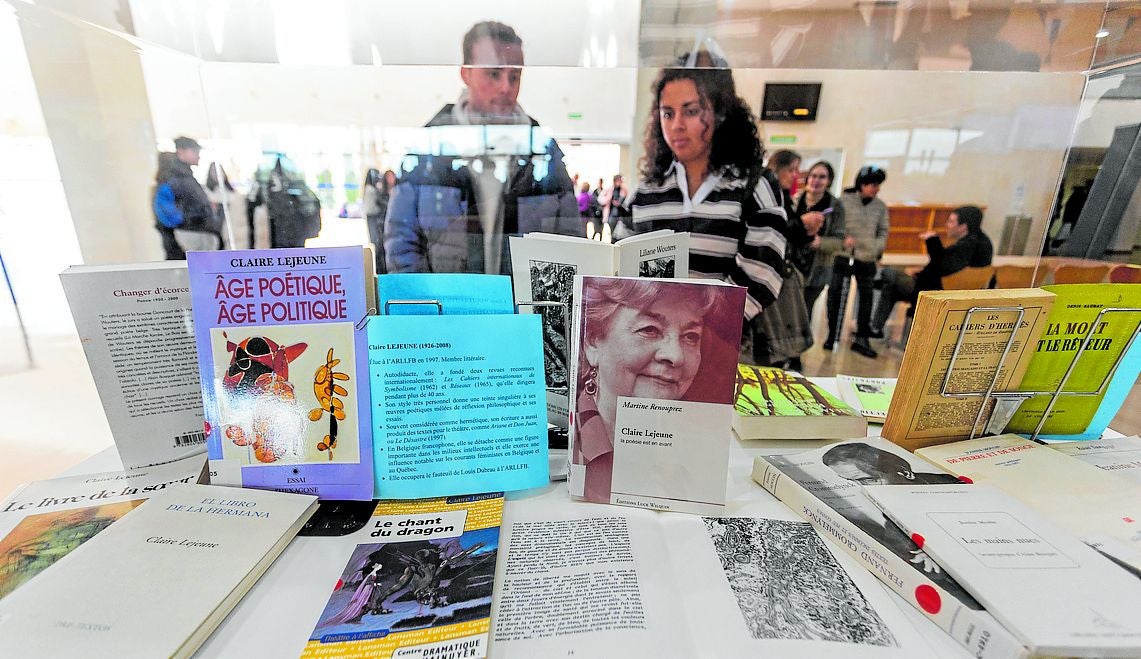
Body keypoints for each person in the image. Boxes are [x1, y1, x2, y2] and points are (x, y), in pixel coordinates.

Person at [384, 21, 581, 275]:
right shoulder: (430, 148)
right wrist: (426, 306)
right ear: (466, 73)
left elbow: (569, 241)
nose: (506, 87)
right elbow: (402, 242)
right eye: (494, 73)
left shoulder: (542, 150)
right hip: (448, 309)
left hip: (524, 312)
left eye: (515, 76)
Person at [615, 51, 788, 327]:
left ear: (720, 113)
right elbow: (621, 272)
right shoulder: (644, 194)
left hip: (727, 346)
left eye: (691, 111)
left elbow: (761, 278)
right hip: (654, 345)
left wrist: (695, 332)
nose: (677, 125)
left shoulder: (755, 187)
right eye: (667, 113)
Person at [572, 278, 739, 503]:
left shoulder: (703, 450)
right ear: (592, 342)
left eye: (691, 336)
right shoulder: (571, 449)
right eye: (650, 330)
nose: (676, 356)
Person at [870, 205, 993, 337]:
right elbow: (948, 268)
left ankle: (876, 328)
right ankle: (877, 326)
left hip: (933, 293)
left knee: (889, 274)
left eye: (951, 221)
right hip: (951, 292)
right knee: (891, 283)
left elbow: (941, 264)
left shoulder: (968, 245)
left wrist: (932, 240)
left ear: (963, 226)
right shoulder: (982, 243)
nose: (947, 225)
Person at [756, 149, 822, 370]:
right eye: (791, 169)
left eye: (797, 170)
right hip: (773, 271)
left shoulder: (784, 195)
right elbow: (775, 231)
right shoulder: (769, 193)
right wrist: (801, 225)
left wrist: (806, 229)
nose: (795, 175)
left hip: (787, 270)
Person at [825, 165, 889, 358]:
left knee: (867, 297)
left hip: (866, 258)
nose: (876, 189)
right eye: (872, 184)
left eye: (878, 185)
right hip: (843, 255)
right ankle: (832, 334)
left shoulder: (880, 207)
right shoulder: (843, 201)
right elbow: (833, 224)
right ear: (861, 184)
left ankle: (862, 337)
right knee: (835, 294)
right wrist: (842, 239)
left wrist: (876, 248)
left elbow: (883, 231)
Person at [153, 136, 221, 259]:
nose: (198, 155)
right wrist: (191, 219)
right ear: (181, 152)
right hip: (191, 236)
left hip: (198, 233)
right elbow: (167, 212)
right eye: (194, 151)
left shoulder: (184, 176)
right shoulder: (173, 178)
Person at [796, 161, 847, 314]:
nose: (816, 180)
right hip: (792, 266)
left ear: (829, 181)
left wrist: (820, 242)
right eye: (813, 175)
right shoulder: (795, 200)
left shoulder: (835, 206)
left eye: (822, 177)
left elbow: (839, 241)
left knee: (804, 311)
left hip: (817, 269)